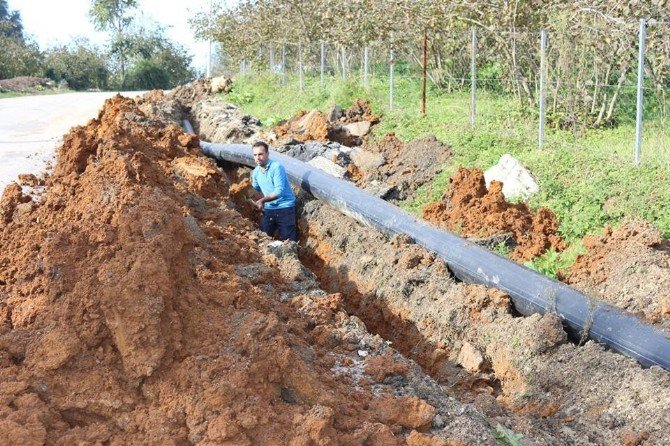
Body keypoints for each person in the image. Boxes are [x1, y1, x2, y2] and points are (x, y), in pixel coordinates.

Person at [250, 141, 297, 241]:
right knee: (263, 237)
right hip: (269, 209)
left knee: (288, 240)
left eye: (260, 154)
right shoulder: (256, 172)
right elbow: (256, 189)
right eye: (255, 155)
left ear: (267, 154)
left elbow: (279, 191)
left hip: (285, 207)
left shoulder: (276, 167)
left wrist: (262, 201)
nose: (257, 158)